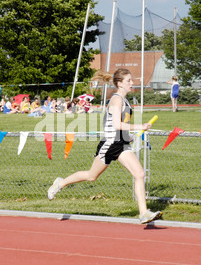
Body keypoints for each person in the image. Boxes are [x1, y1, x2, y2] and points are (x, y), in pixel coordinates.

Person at [47, 68, 162, 224]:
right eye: (129, 80)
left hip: (121, 144)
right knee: (91, 176)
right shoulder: (116, 100)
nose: (132, 83)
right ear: (120, 83)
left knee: (139, 173)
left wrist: (128, 137)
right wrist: (139, 125)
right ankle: (60, 183)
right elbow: (116, 124)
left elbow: (122, 124)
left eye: (131, 80)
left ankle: (143, 213)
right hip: (109, 144)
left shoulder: (125, 100)